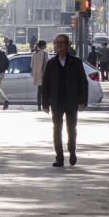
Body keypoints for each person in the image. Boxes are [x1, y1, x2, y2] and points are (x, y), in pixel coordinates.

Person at [41, 33, 89, 167]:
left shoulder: (76, 62)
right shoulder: (51, 63)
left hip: (71, 101)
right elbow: (45, 84)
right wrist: (45, 103)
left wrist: (82, 101)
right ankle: (59, 158)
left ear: (68, 45)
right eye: (57, 43)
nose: (59, 45)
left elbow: (83, 83)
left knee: (71, 129)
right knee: (57, 129)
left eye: (62, 43)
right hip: (56, 102)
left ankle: (72, 151)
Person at [30, 39, 49, 112]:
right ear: (43, 46)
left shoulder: (34, 54)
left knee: (39, 91)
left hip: (37, 75)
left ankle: (39, 106)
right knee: (45, 92)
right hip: (44, 75)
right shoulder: (45, 54)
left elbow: (31, 65)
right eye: (45, 45)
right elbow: (48, 64)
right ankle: (45, 105)